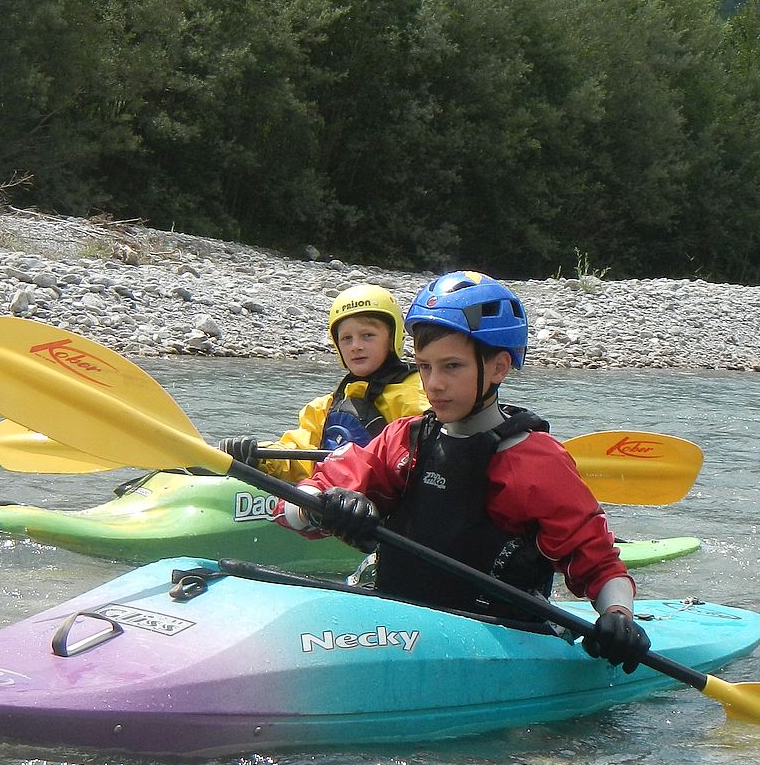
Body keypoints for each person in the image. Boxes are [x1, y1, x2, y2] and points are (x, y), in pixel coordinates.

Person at [272, 270, 650, 672]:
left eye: (452, 366)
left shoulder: (537, 462)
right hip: (400, 625)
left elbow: (597, 562)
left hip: (500, 640)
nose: (434, 384)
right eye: (425, 366)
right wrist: (321, 506)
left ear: (499, 367)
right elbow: (293, 504)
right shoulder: (405, 440)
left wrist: (618, 615)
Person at [220, 284, 430, 482]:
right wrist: (259, 456)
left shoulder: (418, 394)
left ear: (392, 339)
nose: (355, 346)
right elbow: (299, 456)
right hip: (335, 498)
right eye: (346, 338)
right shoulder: (325, 407)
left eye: (367, 335)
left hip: (387, 501)